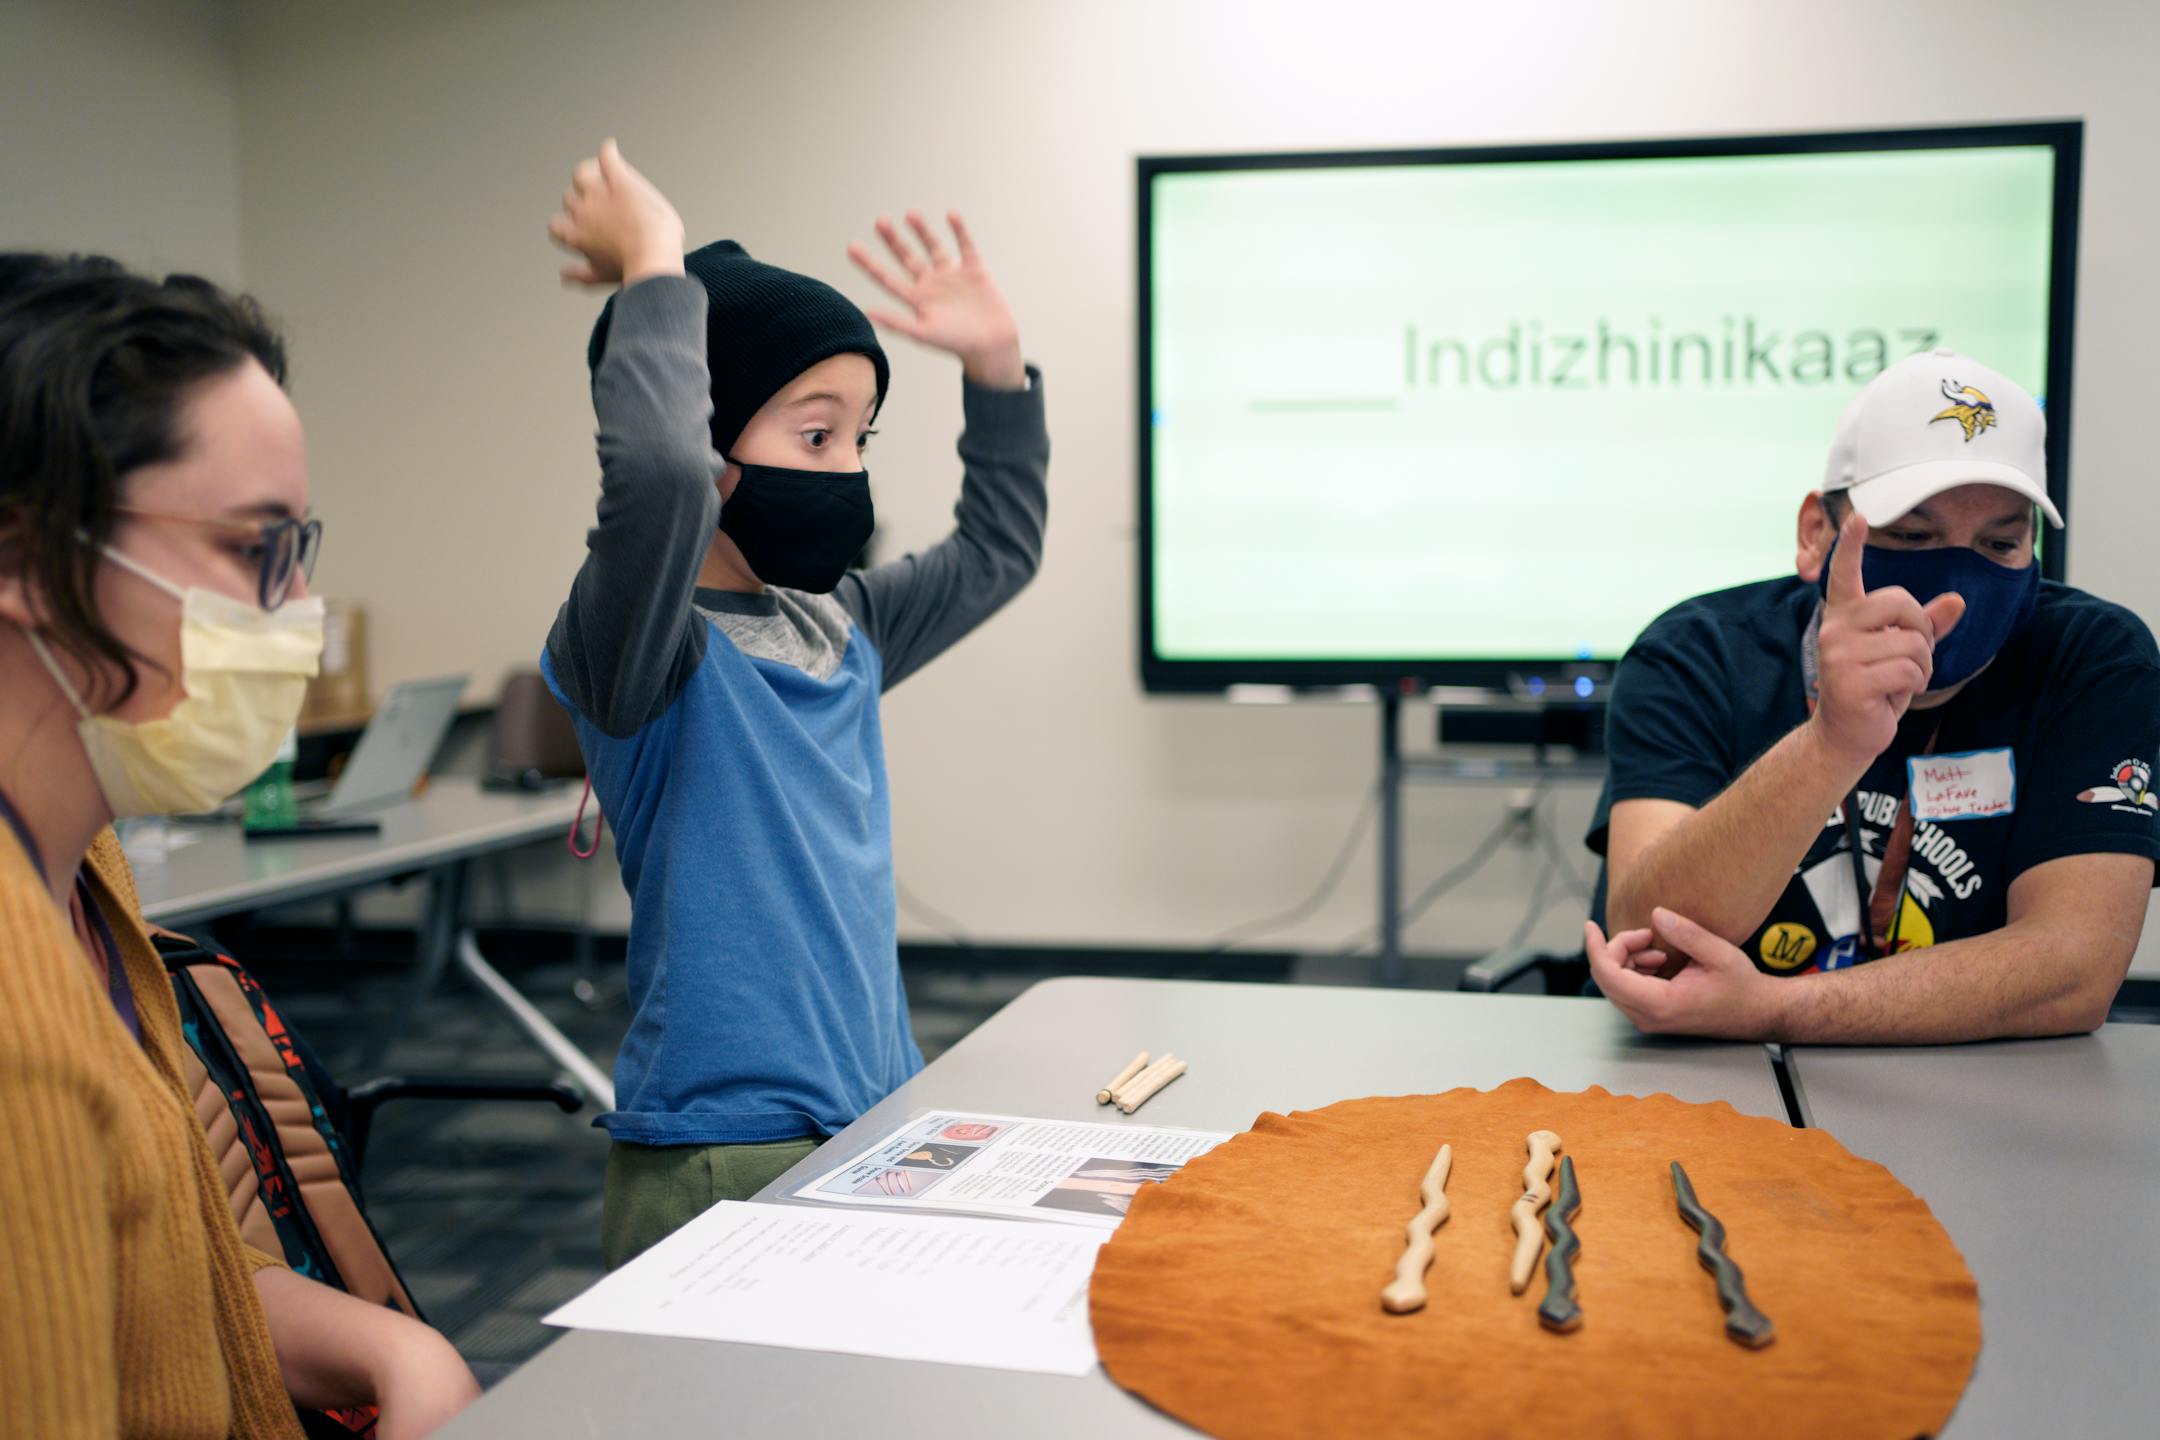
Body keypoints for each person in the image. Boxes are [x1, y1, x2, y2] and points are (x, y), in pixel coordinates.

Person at [539, 143, 1049, 1267]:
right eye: (815, 434)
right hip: (723, 1157)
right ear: (708, 434)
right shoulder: (638, 648)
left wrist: (998, 367)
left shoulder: (841, 627)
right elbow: (661, 485)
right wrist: (654, 268)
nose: (848, 468)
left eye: (860, 438)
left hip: (876, 1123)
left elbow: (999, 552)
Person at [0, 254, 478, 1438]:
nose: (296, 610)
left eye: (297, 549)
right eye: (249, 549)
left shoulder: (82, 874)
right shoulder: (19, 1024)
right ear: (21, 560)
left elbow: (159, 1289)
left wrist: (394, 1348)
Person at [1582, 348, 2159, 1043]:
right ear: (1814, 533)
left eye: (2000, 545)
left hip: (1973, 1099)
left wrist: (1776, 1008)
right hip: (1696, 1083)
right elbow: (1650, 941)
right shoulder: (1698, 653)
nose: (1955, 589)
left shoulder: (2092, 660)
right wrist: (1832, 744)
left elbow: (2074, 969)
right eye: (1912, 537)